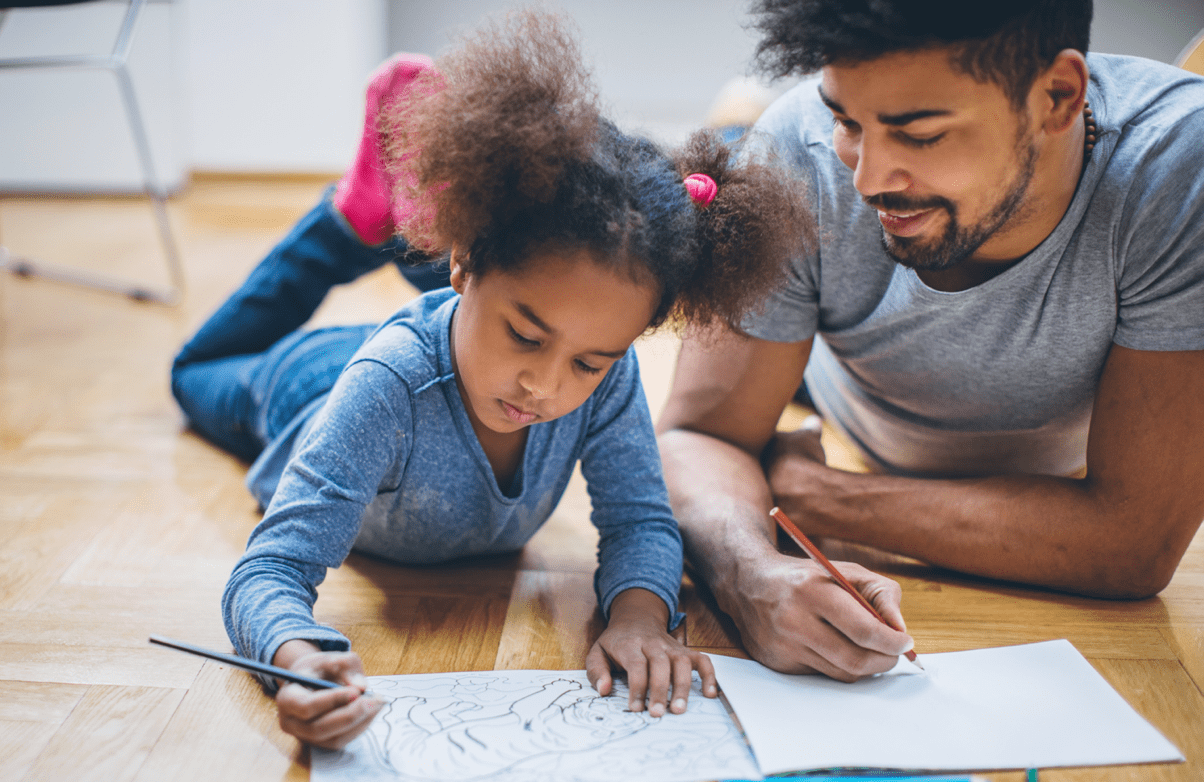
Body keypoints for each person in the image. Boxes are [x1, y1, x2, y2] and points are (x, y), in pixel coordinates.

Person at [171, 10, 809, 749]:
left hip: (445, 335)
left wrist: (638, 618)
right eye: (526, 336)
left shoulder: (608, 376)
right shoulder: (385, 386)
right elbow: (271, 568)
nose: (544, 384)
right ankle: (353, 221)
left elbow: (639, 520)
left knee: (537, 316)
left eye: (588, 360)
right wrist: (291, 657)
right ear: (463, 264)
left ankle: (415, 227)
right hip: (307, 383)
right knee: (194, 373)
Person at [657, 0, 1204, 683]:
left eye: (918, 134)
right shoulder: (802, 149)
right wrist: (750, 573)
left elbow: (1133, 543)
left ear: (1058, 97)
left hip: (903, 448)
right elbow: (696, 436)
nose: (866, 182)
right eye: (848, 120)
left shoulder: (1182, 168)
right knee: (737, 173)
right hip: (826, 371)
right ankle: (736, 122)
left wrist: (814, 493)